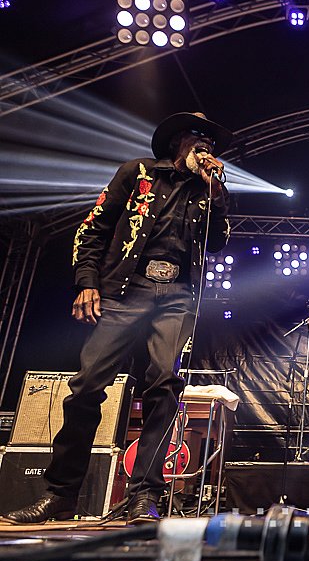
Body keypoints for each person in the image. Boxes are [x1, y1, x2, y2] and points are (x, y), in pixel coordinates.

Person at [2, 112, 232, 524]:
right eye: (200, 139)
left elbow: (216, 244)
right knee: (88, 386)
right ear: (180, 141)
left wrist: (218, 192)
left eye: (212, 143)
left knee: (165, 383)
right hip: (126, 292)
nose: (207, 147)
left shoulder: (208, 192)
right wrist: (87, 282)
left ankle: (144, 496)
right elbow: (92, 229)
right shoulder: (137, 173)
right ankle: (61, 493)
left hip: (177, 297)